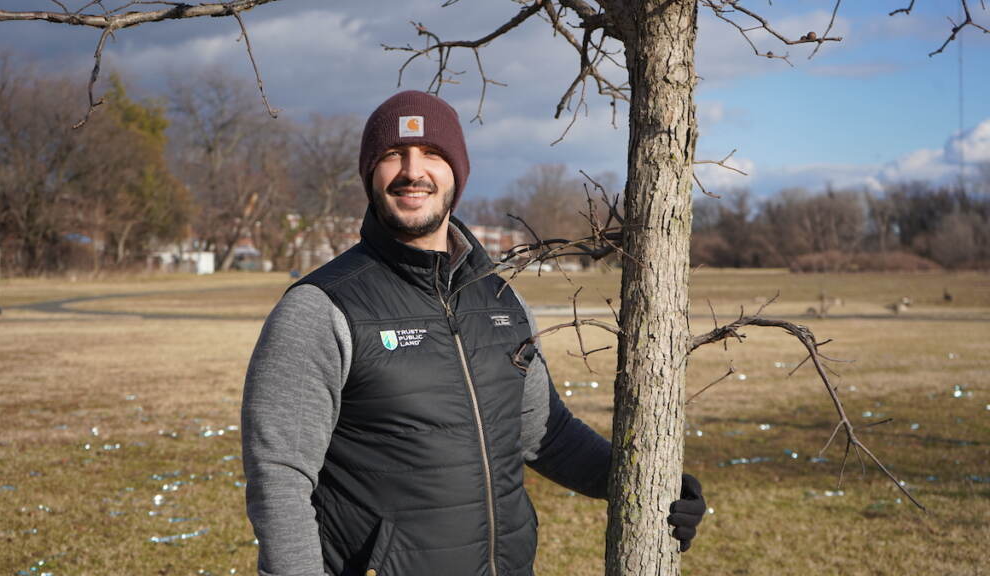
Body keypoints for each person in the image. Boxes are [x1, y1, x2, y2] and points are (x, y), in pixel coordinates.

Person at [241, 90, 705, 576]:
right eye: (392, 155)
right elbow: (280, 479)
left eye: (432, 155)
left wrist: (655, 484)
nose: (412, 171)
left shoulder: (501, 301)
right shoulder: (321, 307)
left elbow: (546, 436)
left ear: (457, 174)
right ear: (369, 174)